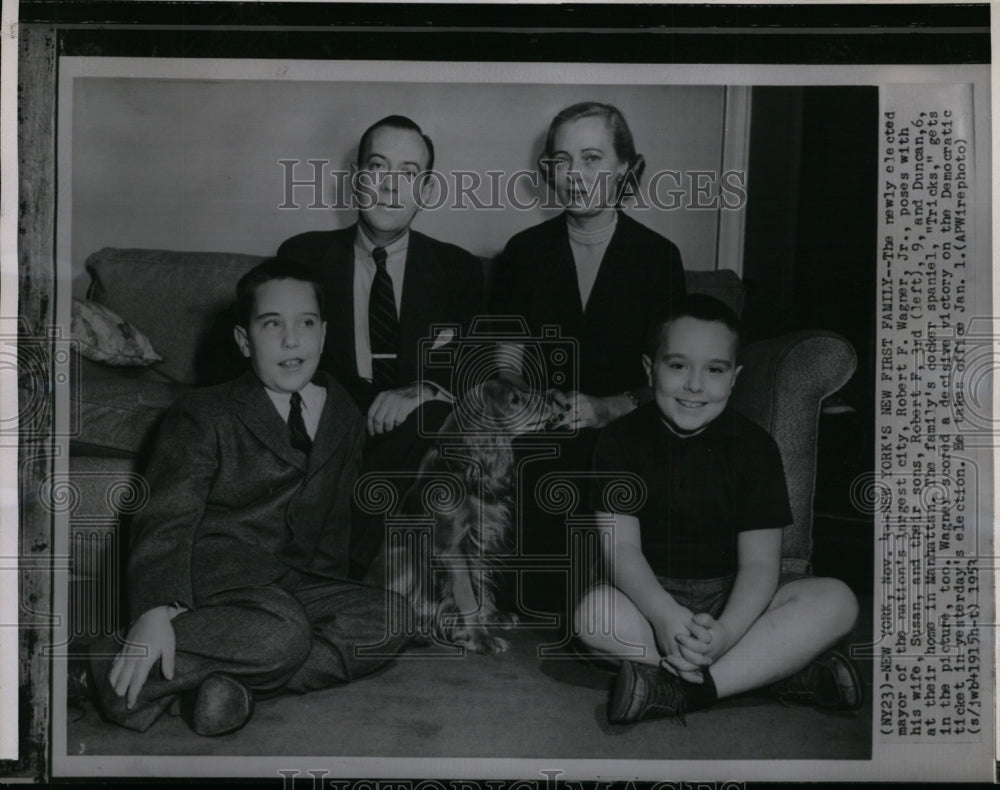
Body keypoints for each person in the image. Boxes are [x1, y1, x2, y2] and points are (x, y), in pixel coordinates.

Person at [90, 259, 410, 736]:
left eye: (305, 324)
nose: (290, 340)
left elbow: (336, 516)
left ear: (323, 335)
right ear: (244, 341)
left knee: (390, 617)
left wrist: (334, 593)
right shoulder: (203, 412)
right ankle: (110, 664)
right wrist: (156, 610)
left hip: (292, 581)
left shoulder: (342, 409)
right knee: (282, 634)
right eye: (271, 325)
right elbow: (167, 516)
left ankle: (220, 684)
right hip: (213, 575)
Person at [577, 294, 862, 724]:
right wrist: (663, 615)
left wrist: (726, 633)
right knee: (592, 618)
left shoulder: (756, 448)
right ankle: (776, 672)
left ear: (734, 378)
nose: (695, 385)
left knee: (838, 601)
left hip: (736, 598)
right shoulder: (619, 442)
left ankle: (690, 691)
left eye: (714, 369)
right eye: (677, 365)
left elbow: (761, 566)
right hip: (652, 595)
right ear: (648, 369)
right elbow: (622, 552)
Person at [488, 101, 686, 612]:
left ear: (625, 168)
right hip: (539, 434)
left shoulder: (658, 257)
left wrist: (610, 406)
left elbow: (675, 372)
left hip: (628, 428)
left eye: (592, 158)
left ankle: (597, 611)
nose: (575, 174)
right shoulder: (524, 252)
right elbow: (503, 360)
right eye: (562, 159)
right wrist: (522, 401)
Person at [278, 115, 484, 577]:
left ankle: (336, 570)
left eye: (409, 174)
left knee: (437, 418)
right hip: (330, 420)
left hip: (412, 429)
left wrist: (423, 388)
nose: (391, 187)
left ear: (426, 191)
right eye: (378, 168)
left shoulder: (458, 269)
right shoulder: (302, 255)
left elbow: (478, 365)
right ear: (356, 180)